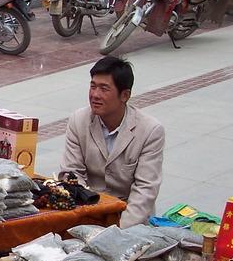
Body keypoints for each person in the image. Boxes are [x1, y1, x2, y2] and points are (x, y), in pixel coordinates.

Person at [58, 56, 164, 228]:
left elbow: (145, 190)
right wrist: (87, 218)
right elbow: (71, 174)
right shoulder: (78, 120)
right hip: (89, 210)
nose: (95, 95)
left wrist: (118, 230)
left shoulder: (150, 130)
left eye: (104, 89)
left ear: (125, 95)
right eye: (93, 86)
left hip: (130, 219)